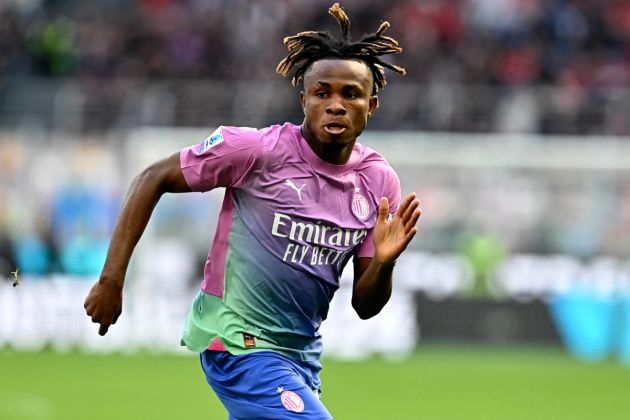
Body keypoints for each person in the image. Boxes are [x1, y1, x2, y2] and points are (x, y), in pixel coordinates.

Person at [84, 3, 421, 419]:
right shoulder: (257, 151)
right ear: (304, 100)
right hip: (237, 344)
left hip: (299, 356)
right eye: (323, 93)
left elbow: (366, 306)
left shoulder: (378, 181)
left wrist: (385, 264)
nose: (336, 104)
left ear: (371, 106)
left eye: (350, 94)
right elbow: (152, 177)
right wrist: (111, 280)